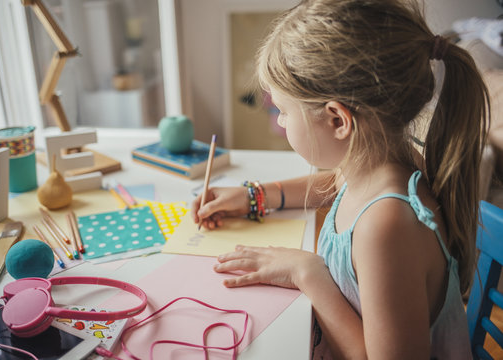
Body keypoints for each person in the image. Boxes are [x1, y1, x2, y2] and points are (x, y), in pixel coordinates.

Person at [191, 0, 490, 359]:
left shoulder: (387, 225)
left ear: (337, 120)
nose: (282, 122)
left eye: (283, 112)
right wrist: (257, 195)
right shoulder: (386, 163)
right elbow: (337, 183)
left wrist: (308, 273)